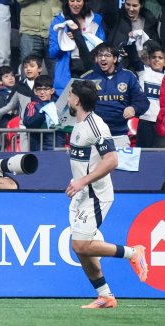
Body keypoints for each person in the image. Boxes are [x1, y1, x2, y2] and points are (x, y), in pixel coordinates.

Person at [65, 79, 148, 309]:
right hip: (82, 192)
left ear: (77, 100)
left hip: (95, 194)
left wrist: (83, 181)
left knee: (81, 245)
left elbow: (112, 160)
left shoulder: (96, 125)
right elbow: (86, 161)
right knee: (83, 250)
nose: (68, 98)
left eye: (70, 95)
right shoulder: (79, 124)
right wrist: (76, 180)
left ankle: (133, 252)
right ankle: (105, 296)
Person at [81, 42, 149, 147]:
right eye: (100, 56)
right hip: (93, 136)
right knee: (95, 164)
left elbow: (143, 101)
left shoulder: (128, 76)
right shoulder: (87, 78)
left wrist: (134, 108)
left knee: (120, 164)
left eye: (107, 55)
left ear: (115, 59)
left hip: (120, 136)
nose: (103, 59)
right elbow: (74, 104)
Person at [49, 0, 106, 95]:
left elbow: (102, 47)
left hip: (92, 68)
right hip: (69, 70)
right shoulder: (59, 20)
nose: (75, 4)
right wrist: (63, 41)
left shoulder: (96, 19)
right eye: (72, 0)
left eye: (79, 1)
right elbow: (52, 53)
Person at [127, 39, 165, 147]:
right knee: (143, 153)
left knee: (160, 154)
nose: (157, 60)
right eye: (154, 57)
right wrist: (131, 41)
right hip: (145, 120)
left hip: (162, 121)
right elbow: (134, 59)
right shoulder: (144, 72)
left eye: (160, 58)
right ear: (149, 59)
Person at [17, 0, 62, 78]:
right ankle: (26, 90)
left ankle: (57, 91)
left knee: (57, 73)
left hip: (56, 28)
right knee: (29, 71)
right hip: (29, 29)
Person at [23, 75, 63, 151]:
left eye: (46, 89)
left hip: (59, 146)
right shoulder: (32, 105)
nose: (42, 92)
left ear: (52, 90)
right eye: (39, 89)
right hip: (39, 148)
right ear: (35, 91)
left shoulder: (59, 105)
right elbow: (28, 123)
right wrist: (43, 112)